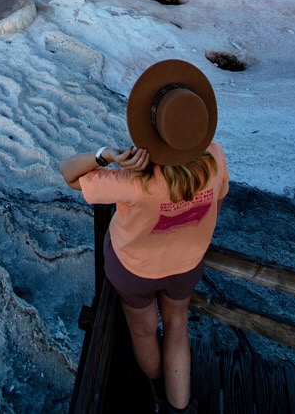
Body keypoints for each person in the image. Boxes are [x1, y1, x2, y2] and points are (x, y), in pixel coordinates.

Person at [60, 59, 229, 414]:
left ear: (153, 129)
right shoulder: (214, 159)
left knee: (144, 332)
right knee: (178, 324)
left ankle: (156, 394)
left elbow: (69, 175)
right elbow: (221, 195)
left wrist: (103, 155)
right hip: (186, 263)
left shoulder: (137, 179)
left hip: (135, 269)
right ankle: (180, 407)